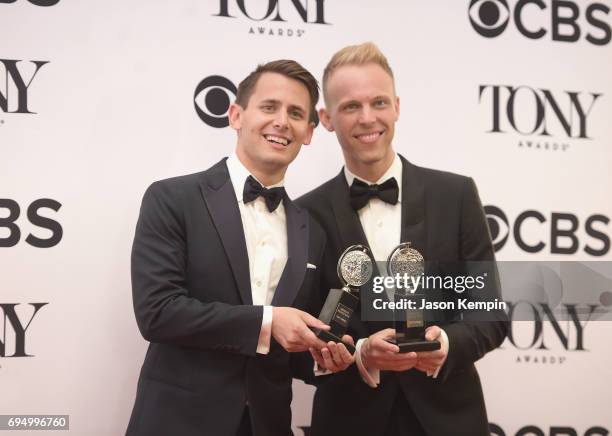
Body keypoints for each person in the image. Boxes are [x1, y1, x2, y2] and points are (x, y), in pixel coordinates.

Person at [297, 42, 509, 436]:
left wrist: (445, 343)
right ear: (325, 118)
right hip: (348, 420)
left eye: (378, 102)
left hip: (448, 419)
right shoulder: (303, 215)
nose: (367, 118)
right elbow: (301, 335)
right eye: (350, 107)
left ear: (396, 106)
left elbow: (490, 315)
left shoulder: (456, 195)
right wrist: (360, 355)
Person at [126, 59, 346, 436]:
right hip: (176, 422)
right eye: (269, 107)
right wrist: (269, 321)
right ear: (236, 115)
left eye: (296, 113)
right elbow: (157, 313)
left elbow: (290, 352)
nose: (281, 121)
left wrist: (323, 356)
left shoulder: (312, 230)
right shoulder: (172, 198)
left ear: (309, 132)